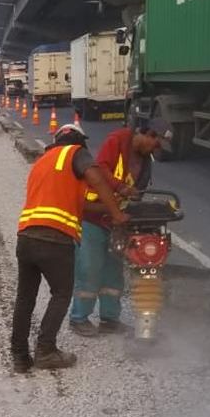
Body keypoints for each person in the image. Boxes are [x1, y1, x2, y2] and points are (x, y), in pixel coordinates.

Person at [11, 123, 127, 372]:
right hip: (55, 239)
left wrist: (107, 209)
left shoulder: (44, 163)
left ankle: (20, 356)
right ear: (78, 141)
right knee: (61, 294)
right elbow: (96, 177)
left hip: (26, 237)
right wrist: (117, 213)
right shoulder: (74, 152)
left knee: (25, 298)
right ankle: (46, 351)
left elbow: (82, 206)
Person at [69, 121, 172, 336]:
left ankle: (109, 319)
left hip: (117, 221)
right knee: (90, 268)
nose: (155, 150)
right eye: (155, 144)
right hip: (92, 217)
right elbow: (102, 167)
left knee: (113, 272)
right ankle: (79, 318)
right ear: (146, 133)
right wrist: (121, 188)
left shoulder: (145, 160)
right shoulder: (118, 139)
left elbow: (139, 189)